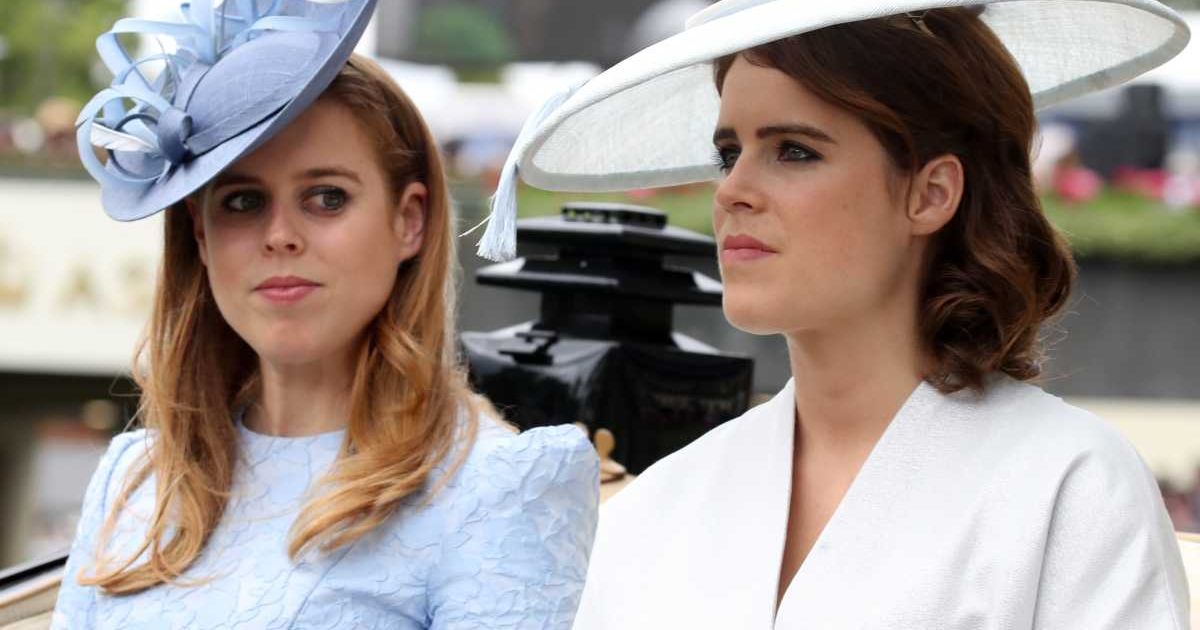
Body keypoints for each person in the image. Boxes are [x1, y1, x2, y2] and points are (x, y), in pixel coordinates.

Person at [480, 0, 1192, 627]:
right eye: (729, 152)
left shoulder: (1066, 485)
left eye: (793, 150)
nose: (733, 192)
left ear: (930, 192)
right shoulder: (666, 500)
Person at [53, 2, 598, 628]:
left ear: (409, 220)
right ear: (199, 236)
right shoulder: (132, 482)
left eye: (326, 197)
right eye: (243, 201)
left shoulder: (496, 487)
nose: (280, 235)